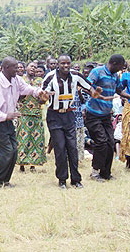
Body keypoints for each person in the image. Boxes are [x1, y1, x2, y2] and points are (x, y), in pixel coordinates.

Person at [0, 56, 48, 187]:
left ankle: (4, 180)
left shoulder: (16, 79)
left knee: (14, 151)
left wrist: (40, 92)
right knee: (6, 152)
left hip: (8, 121)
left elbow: (28, 89)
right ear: (6, 68)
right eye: (15, 67)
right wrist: (5, 115)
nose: (18, 69)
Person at [43, 55, 103, 189]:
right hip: (54, 115)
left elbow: (89, 87)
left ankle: (76, 179)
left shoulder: (76, 75)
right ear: (58, 64)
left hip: (69, 115)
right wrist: (44, 97)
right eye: (62, 63)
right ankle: (62, 179)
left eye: (68, 63)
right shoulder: (50, 77)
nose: (65, 66)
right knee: (60, 149)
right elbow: (42, 95)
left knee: (72, 147)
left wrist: (95, 93)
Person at [85, 54, 130, 182]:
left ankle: (106, 173)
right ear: (114, 63)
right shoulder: (97, 72)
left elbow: (119, 90)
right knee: (101, 142)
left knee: (110, 143)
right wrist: (95, 93)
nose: (121, 69)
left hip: (106, 115)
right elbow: (86, 85)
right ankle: (95, 172)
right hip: (93, 114)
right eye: (121, 66)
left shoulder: (115, 76)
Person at [16, 62, 47, 172]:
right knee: (23, 138)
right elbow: (17, 95)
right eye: (31, 66)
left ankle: (33, 164)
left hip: (36, 112)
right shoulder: (21, 80)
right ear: (26, 68)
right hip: (23, 112)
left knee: (36, 138)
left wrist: (43, 98)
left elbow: (43, 97)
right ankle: (22, 164)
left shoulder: (40, 81)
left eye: (35, 67)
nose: (33, 69)